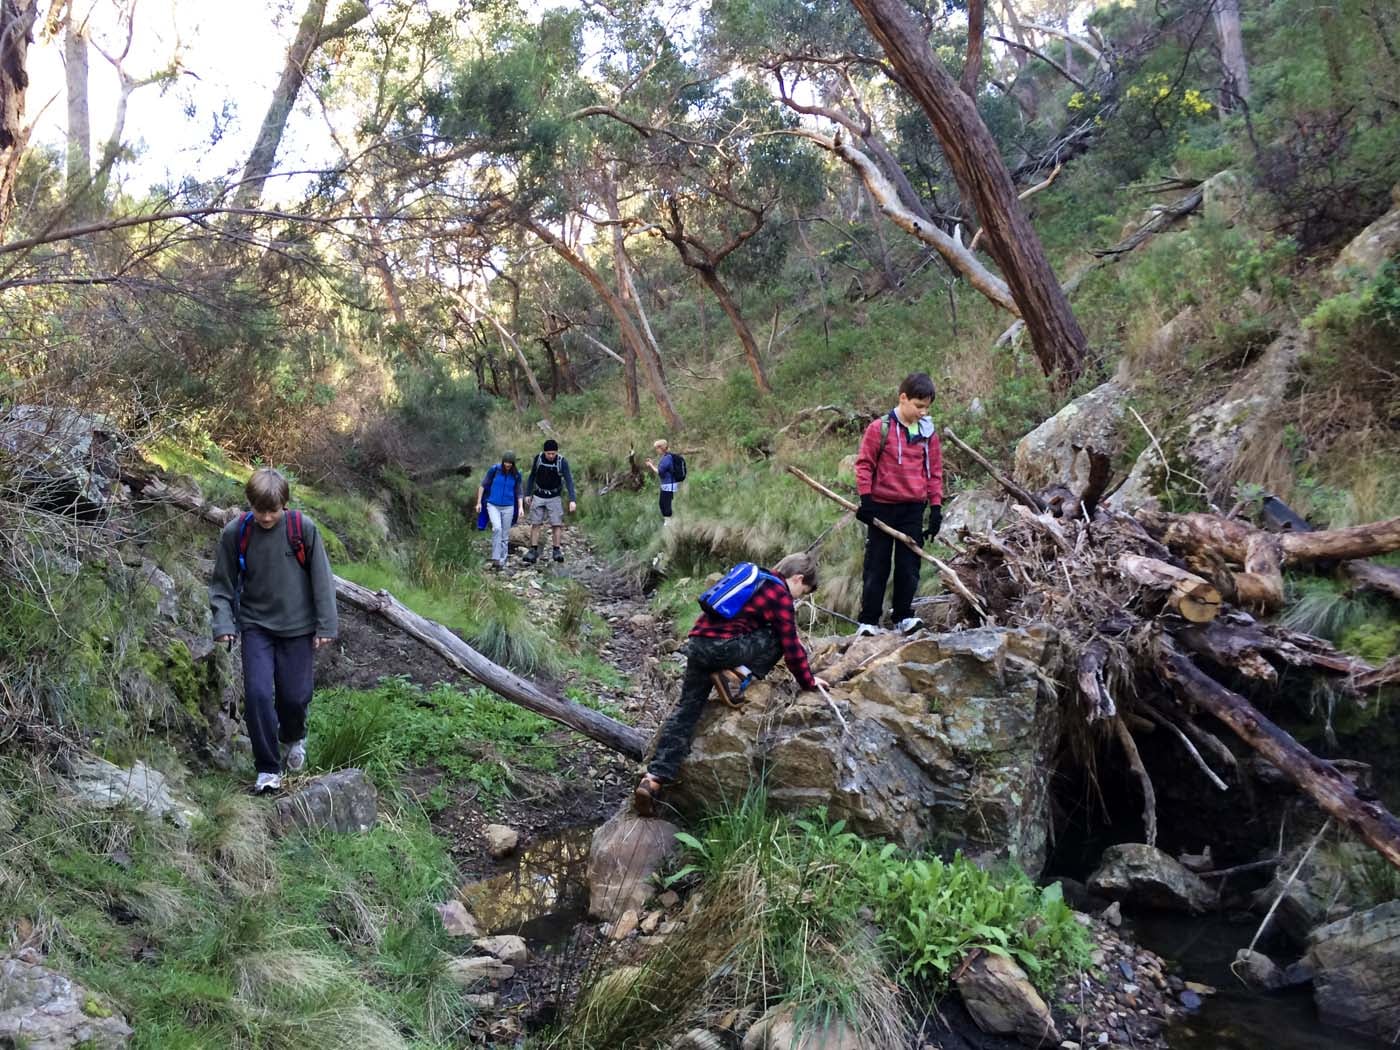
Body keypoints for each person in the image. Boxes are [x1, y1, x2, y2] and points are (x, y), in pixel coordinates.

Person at [633, 552, 829, 816]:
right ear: (798, 578)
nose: (799, 598)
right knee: (776, 636)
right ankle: (734, 677)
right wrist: (809, 681)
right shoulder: (779, 593)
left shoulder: (753, 578)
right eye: (803, 592)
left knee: (687, 710)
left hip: (698, 644)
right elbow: (791, 645)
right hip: (725, 648)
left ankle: (653, 778)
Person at [210, 468, 338, 794]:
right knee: (257, 695)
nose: (266, 517)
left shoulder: (302, 529)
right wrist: (224, 623)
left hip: (298, 626)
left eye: (273, 510)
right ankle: (267, 769)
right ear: (248, 504)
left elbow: (321, 579)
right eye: (259, 510)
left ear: (285, 504)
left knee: (294, 698)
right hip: (255, 625)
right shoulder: (235, 533)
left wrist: (326, 624)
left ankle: (293, 736)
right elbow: (223, 585)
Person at [853, 371, 944, 637]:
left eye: (927, 407)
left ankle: (903, 616)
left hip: (913, 510)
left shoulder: (928, 433)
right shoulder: (879, 428)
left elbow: (934, 471)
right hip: (881, 508)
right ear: (902, 398)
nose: (923, 412)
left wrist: (935, 508)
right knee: (876, 565)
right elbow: (864, 464)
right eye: (918, 406)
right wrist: (866, 500)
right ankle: (868, 621)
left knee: (908, 567)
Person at [522, 439, 577, 564]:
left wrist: (572, 500)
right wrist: (528, 494)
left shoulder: (562, 462)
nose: (551, 456)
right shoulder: (538, 459)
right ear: (544, 452)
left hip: (554, 496)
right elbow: (532, 476)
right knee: (535, 523)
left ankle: (556, 550)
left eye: (553, 453)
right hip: (539, 495)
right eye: (549, 454)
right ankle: (533, 549)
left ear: (556, 452)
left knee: (556, 524)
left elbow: (569, 480)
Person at [476, 451, 523, 570]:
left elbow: (519, 492)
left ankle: (502, 560)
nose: (507, 465)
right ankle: (495, 558)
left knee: (505, 534)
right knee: (497, 528)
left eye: (510, 463)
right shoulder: (494, 470)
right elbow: (483, 485)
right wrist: (478, 502)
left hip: (508, 506)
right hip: (493, 505)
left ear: (513, 464)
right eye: (506, 462)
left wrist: (521, 507)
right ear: (503, 462)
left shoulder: (516, 475)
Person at [644, 439, 678, 525]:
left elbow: (660, 471)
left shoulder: (667, 458)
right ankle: (668, 522)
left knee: (665, 504)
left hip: (668, 484)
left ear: (661, 448)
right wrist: (653, 463)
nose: (656, 450)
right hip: (667, 484)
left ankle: (669, 524)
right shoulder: (667, 457)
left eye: (657, 448)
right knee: (663, 503)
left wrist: (651, 465)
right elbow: (662, 469)